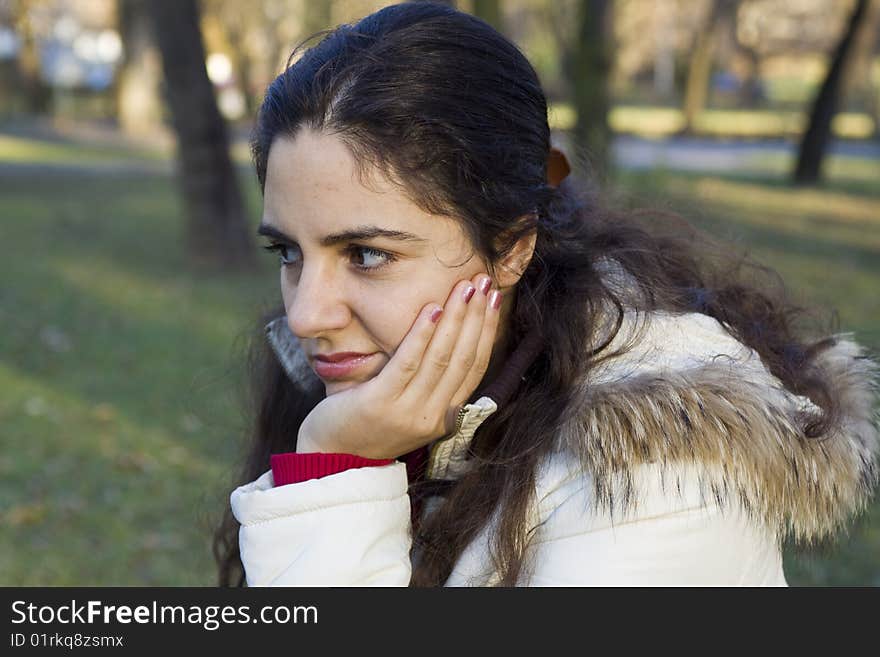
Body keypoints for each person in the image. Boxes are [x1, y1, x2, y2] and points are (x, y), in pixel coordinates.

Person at [213, 2, 879, 586]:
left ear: (511, 249)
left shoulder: (656, 474)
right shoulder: (367, 386)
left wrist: (338, 471)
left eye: (366, 254)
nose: (305, 314)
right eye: (289, 252)